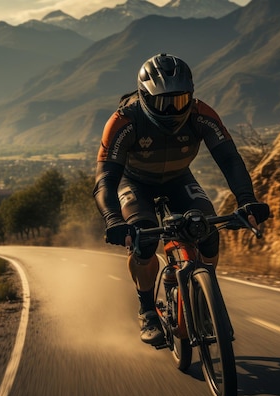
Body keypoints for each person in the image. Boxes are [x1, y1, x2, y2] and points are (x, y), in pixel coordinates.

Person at [93, 53, 269, 345]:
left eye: (181, 99)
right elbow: (105, 180)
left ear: (192, 94)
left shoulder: (201, 114)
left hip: (178, 178)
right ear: (145, 97)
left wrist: (246, 200)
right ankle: (148, 310)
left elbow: (229, 159)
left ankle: (204, 291)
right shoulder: (124, 120)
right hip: (134, 182)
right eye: (164, 102)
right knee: (145, 239)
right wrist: (113, 219)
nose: (174, 109)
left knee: (207, 231)